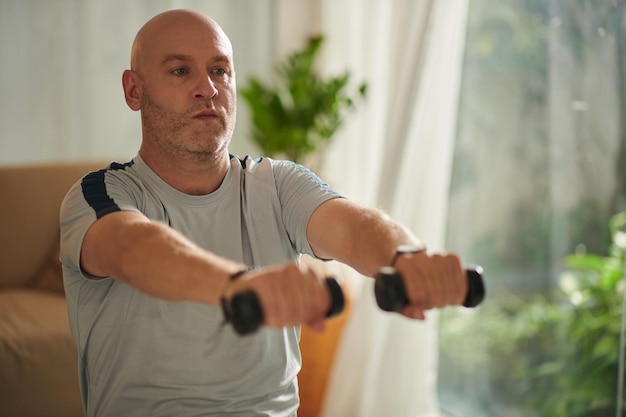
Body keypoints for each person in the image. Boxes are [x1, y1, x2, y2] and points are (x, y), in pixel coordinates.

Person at [60, 9, 467, 417]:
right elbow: (134, 249)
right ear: (134, 90)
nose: (208, 88)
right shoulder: (99, 195)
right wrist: (239, 287)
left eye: (220, 70)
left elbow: (355, 226)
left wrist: (406, 257)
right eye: (181, 71)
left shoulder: (277, 184)